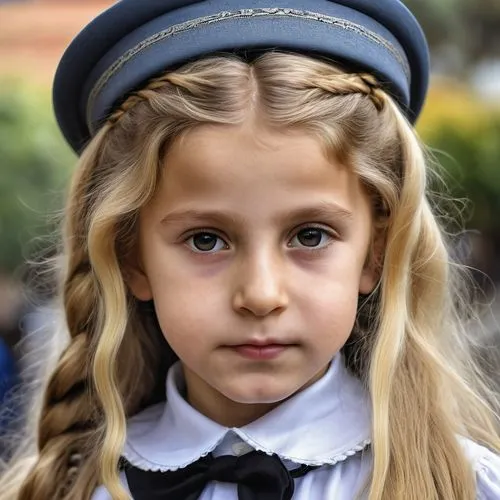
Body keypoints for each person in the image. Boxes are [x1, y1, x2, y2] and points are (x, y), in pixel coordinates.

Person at [2, 1, 500, 499]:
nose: (261, 295)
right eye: (206, 240)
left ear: (375, 253)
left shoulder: (462, 485)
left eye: (310, 236)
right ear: (131, 258)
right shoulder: (75, 490)